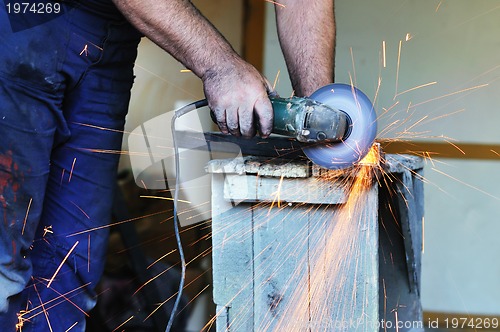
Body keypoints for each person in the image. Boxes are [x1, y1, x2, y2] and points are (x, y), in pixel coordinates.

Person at [0, 0, 335, 330]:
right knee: (4, 264)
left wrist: (321, 113)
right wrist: (222, 65)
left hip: (110, 38)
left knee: (69, 264)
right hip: (25, 22)